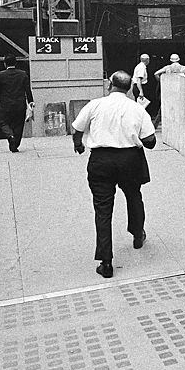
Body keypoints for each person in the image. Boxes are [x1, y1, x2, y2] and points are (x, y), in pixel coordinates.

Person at [71, 70, 156, 279]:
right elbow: (151, 141)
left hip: (101, 160)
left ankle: (106, 262)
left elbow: (77, 129)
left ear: (110, 85)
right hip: (130, 161)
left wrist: (79, 146)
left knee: (102, 209)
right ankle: (138, 234)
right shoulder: (137, 109)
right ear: (128, 88)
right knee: (134, 197)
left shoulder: (95, 104)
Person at [0, 54, 35, 152]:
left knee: (4, 123)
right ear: (15, 63)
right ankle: (15, 145)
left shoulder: (0, 75)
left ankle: (10, 135)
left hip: (5, 105)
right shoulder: (23, 74)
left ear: (4, 64)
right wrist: (31, 101)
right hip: (20, 104)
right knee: (19, 124)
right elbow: (27, 89)